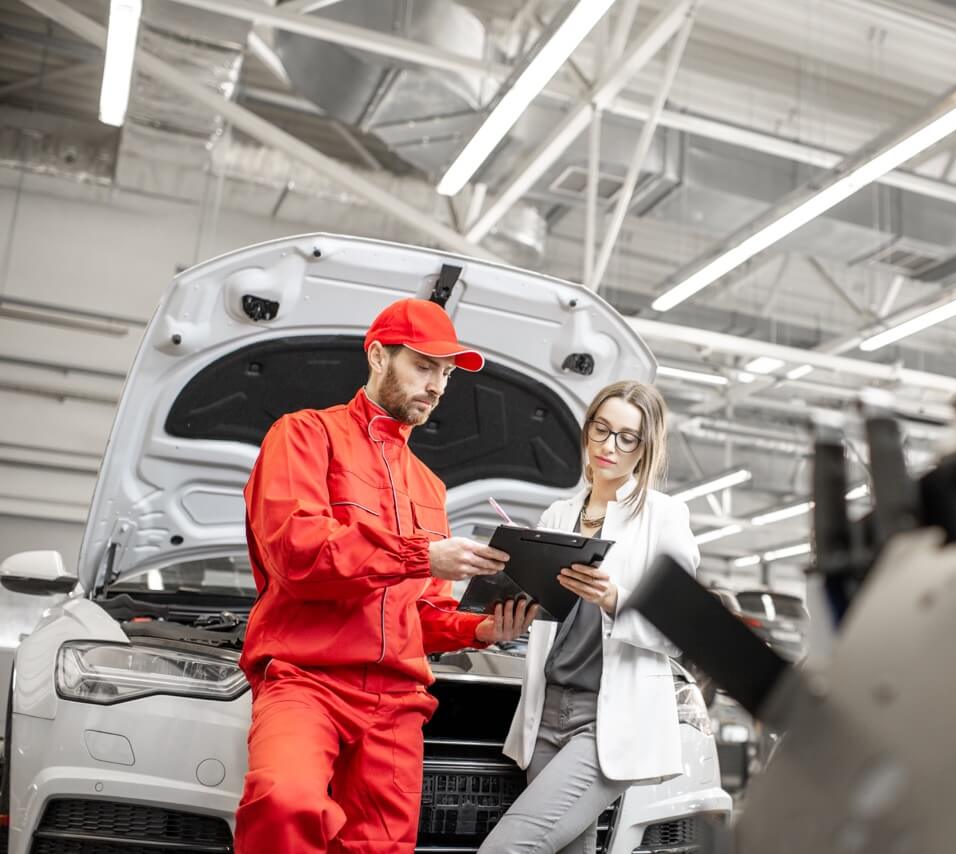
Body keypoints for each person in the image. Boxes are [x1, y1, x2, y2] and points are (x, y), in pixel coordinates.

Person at [234, 297, 538, 853]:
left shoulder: (429, 487)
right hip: (307, 679)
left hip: (396, 703)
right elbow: (299, 553)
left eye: (445, 374)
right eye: (423, 366)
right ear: (378, 355)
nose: (438, 386)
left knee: (379, 848)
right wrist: (421, 555)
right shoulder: (304, 436)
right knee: (283, 800)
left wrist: (480, 630)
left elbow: (420, 616)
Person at [480, 380, 700, 854]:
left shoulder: (663, 517)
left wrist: (617, 598)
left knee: (506, 849)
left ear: (645, 448)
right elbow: (544, 611)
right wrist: (511, 613)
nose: (609, 446)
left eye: (627, 437)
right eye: (602, 429)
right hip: (546, 713)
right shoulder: (557, 514)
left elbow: (685, 627)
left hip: (606, 722)